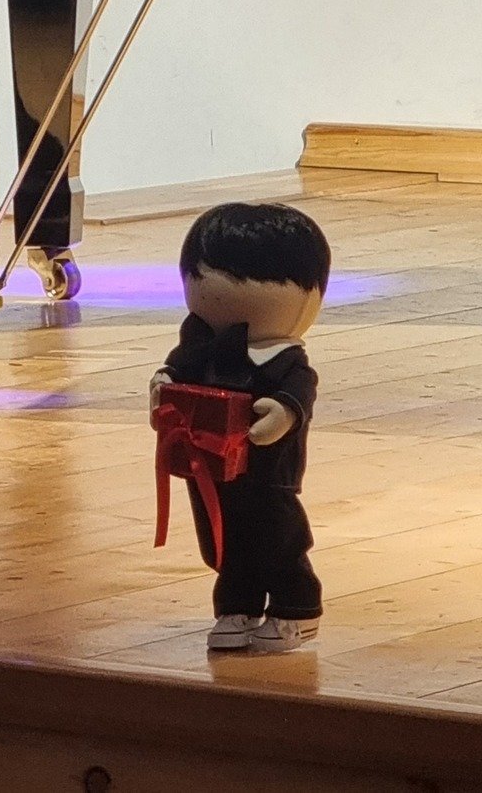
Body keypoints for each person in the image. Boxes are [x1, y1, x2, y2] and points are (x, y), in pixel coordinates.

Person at [154, 201, 329, 655]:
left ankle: (296, 608)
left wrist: (283, 413)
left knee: (278, 536)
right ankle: (237, 606)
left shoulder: (286, 361)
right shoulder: (200, 346)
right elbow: (176, 373)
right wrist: (164, 387)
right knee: (221, 537)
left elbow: (298, 395)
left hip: (268, 472)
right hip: (209, 465)